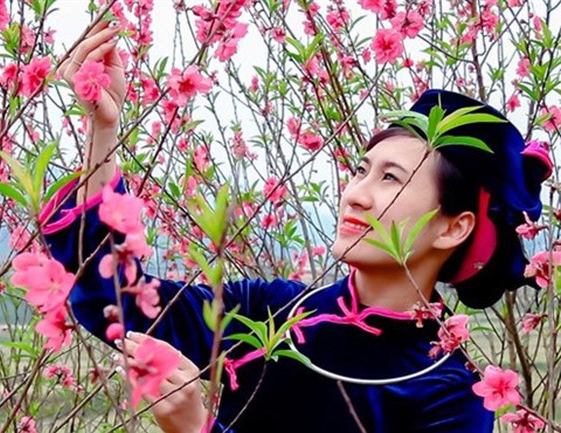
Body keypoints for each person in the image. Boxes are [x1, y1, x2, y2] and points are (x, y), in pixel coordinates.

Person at [44, 21, 552, 432]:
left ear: (453, 228)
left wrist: (198, 427)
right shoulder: (272, 311)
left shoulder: (450, 393)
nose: (355, 192)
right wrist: (104, 131)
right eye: (362, 169)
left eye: (391, 177)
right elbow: (115, 299)